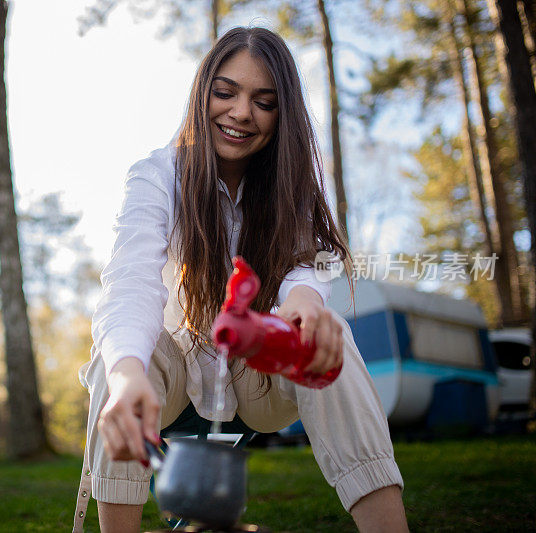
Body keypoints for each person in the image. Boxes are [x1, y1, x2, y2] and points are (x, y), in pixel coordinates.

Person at [72, 27, 408, 533]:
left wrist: (304, 304)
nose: (241, 112)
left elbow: (306, 263)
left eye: (264, 101)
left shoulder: (291, 182)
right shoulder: (157, 175)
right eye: (225, 92)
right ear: (201, 93)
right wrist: (126, 374)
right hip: (174, 378)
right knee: (113, 362)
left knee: (331, 336)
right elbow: (132, 282)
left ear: (282, 113)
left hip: (257, 380)